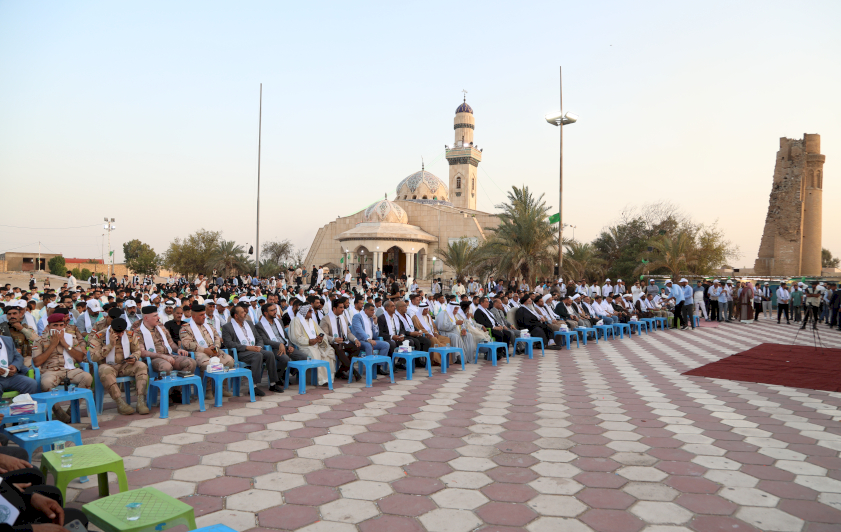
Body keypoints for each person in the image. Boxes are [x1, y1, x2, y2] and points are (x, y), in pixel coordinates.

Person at [31, 314, 92, 422]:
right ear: (49, 326)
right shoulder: (39, 340)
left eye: (61, 325)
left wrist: (64, 344)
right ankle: (59, 412)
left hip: (70, 369)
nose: (59, 329)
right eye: (55, 325)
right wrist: (53, 345)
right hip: (50, 371)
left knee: (87, 377)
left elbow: (79, 358)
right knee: (46, 384)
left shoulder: (71, 338)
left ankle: (71, 412)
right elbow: (37, 362)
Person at [132, 306, 197, 403]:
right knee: (166, 366)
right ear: (146, 318)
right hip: (154, 359)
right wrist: (161, 356)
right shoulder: (138, 331)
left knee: (190, 362)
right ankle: (165, 394)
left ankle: (176, 392)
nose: (158, 318)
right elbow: (142, 352)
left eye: (157, 315)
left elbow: (171, 343)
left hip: (169, 355)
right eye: (155, 316)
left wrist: (178, 349)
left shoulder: (161, 327)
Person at [88, 317, 149, 415]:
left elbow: (137, 350)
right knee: (105, 371)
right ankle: (120, 403)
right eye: (118, 333)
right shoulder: (99, 336)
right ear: (111, 329)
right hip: (108, 365)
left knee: (141, 365)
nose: (121, 335)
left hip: (125, 365)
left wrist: (134, 357)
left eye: (122, 332)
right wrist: (109, 345)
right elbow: (93, 357)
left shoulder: (130, 334)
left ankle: (140, 401)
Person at [222, 305, 283, 396]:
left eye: (244, 311)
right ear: (236, 316)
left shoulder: (249, 324)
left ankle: (273, 384)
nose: (245, 313)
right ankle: (253, 387)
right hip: (240, 353)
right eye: (242, 312)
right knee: (258, 356)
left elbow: (259, 338)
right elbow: (229, 343)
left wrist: (259, 346)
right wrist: (247, 347)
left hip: (254, 349)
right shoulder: (227, 327)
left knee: (269, 354)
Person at [179, 303, 235, 400]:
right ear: (193, 316)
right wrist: (205, 350)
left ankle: (221, 387)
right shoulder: (185, 328)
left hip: (214, 350)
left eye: (204, 314)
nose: (204, 317)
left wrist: (216, 348)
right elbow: (187, 344)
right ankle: (207, 389)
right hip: (199, 352)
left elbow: (217, 336)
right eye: (201, 315)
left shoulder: (208, 326)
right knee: (207, 364)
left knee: (229, 361)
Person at [289, 305, 336, 386]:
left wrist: (320, 340)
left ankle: (327, 378)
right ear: (304, 312)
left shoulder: (312, 322)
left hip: (316, 345)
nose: (312, 312)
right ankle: (319, 380)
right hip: (304, 346)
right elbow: (296, 337)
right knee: (313, 353)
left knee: (329, 351)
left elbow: (322, 334)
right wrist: (309, 341)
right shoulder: (296, 320)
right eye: (310, 311)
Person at [319, 298, 361, 381]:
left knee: (357, 347)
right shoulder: (325, 319)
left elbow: (348, 333)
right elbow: (324, 335)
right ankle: (354, 371)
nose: (343, 309)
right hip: (333, 343)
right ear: (334, 308)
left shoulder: (344, 318)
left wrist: (355, 339)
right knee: (339, 348)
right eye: (341, 307)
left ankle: (340, 372)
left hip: (344, 341)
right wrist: (334, 339)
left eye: (343, 307)